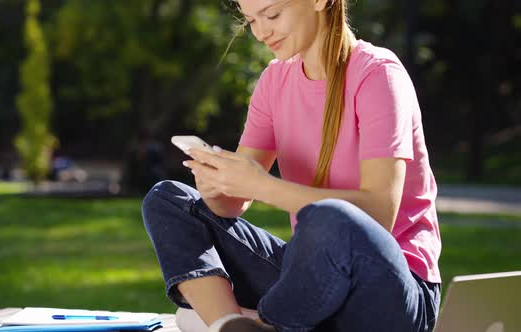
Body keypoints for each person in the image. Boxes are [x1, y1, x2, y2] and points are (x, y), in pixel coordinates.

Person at [142, 0, 442, 331]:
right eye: (250, 20)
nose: (260, 32)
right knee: (169, 199)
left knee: (331, 217)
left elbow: (378, 212)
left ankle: (267, 323)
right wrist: (218, 184)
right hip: (311, 283)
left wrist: (261, 185)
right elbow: (231, 205)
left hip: (391, 290)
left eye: (271, 15)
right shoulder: (275, 81)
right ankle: (228, 324)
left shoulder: (378, 75)